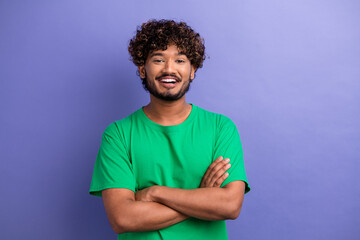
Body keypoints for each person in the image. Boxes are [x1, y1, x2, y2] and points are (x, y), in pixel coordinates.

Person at [89, 19, 250, 240]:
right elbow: (122, 218)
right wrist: (202, 199)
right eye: (158, 59)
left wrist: (155, 193)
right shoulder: (118, 135)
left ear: (192, 70)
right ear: (142, 69)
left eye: (180, 60)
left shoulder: (221, 128)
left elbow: (230, 205)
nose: (169, 69)